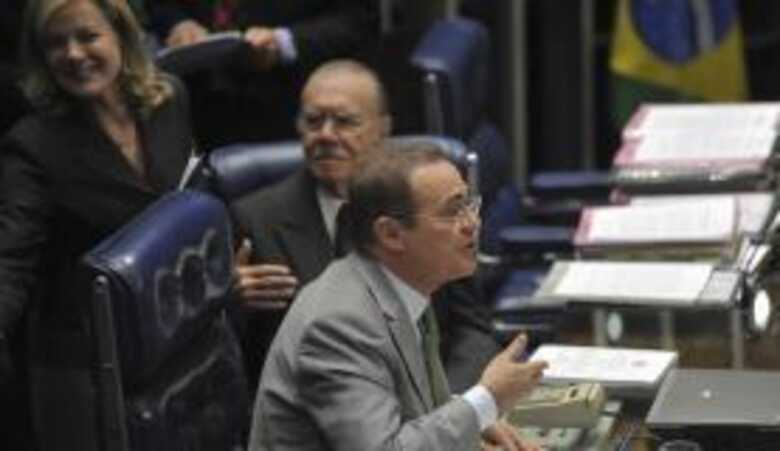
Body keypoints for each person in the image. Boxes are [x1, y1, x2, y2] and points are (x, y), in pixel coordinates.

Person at [249, 142, 548, 451]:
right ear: (391, 234)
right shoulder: (338, 324)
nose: (472, 223)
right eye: (452, 211)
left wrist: (473, 422)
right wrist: (486, 400)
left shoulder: (404, 286)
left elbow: (407, 406)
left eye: (469, 204)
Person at [232, 60, 499, 394]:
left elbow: (471, 328)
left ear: (383, 129)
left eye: (345, 122)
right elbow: (240, 357)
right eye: (313, 121)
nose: (326, 135)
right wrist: (230, 305)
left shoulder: (431, 205)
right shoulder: (257, 219)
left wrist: (455, 408)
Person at [0, 0, 193, 448]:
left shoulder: (170, 99)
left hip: (176, 337)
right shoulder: (32, 145)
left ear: (121, 36)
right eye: (55, 43)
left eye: (87, 36)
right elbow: (10, 254)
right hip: (84, 364)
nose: (72, 54)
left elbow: (188, 201)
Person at [146, 0, 380, 148]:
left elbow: (358, 17)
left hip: (293, 103)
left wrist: (285, 42)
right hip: (196, 101)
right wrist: (178, 22)